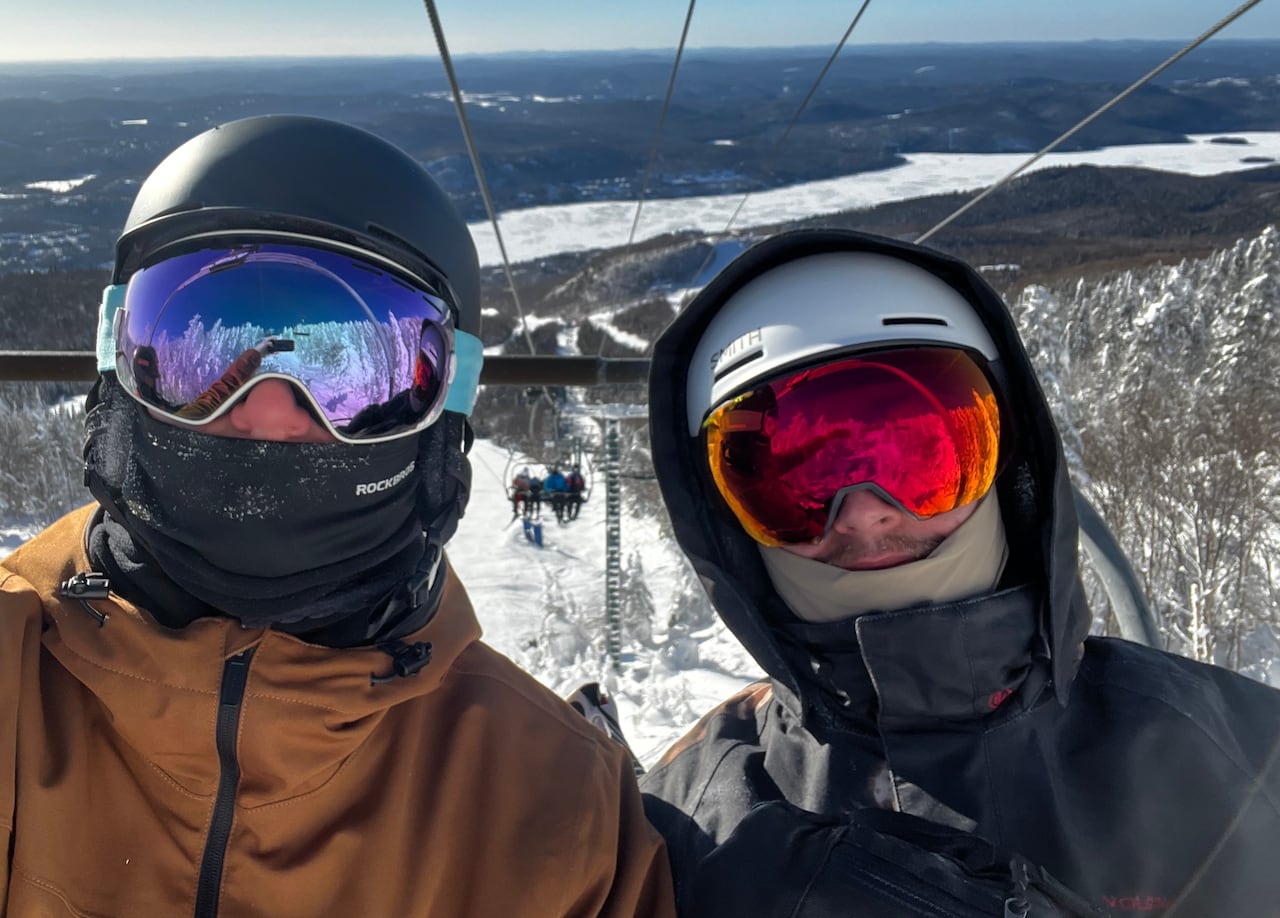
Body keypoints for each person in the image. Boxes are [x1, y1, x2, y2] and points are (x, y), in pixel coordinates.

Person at [0, 114, 675, 917]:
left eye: (352, 378)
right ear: (118, 366)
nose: (269, 418)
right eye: (197, 354)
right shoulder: (16, 675)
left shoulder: (555, 803)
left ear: (447, 407)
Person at [639, 228, 1280, 916]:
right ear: (727, 525)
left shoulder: (1241, 756)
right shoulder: (687, 826)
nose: (862, 516)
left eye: (920, 458)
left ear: (1010, 472)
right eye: (791, 482)